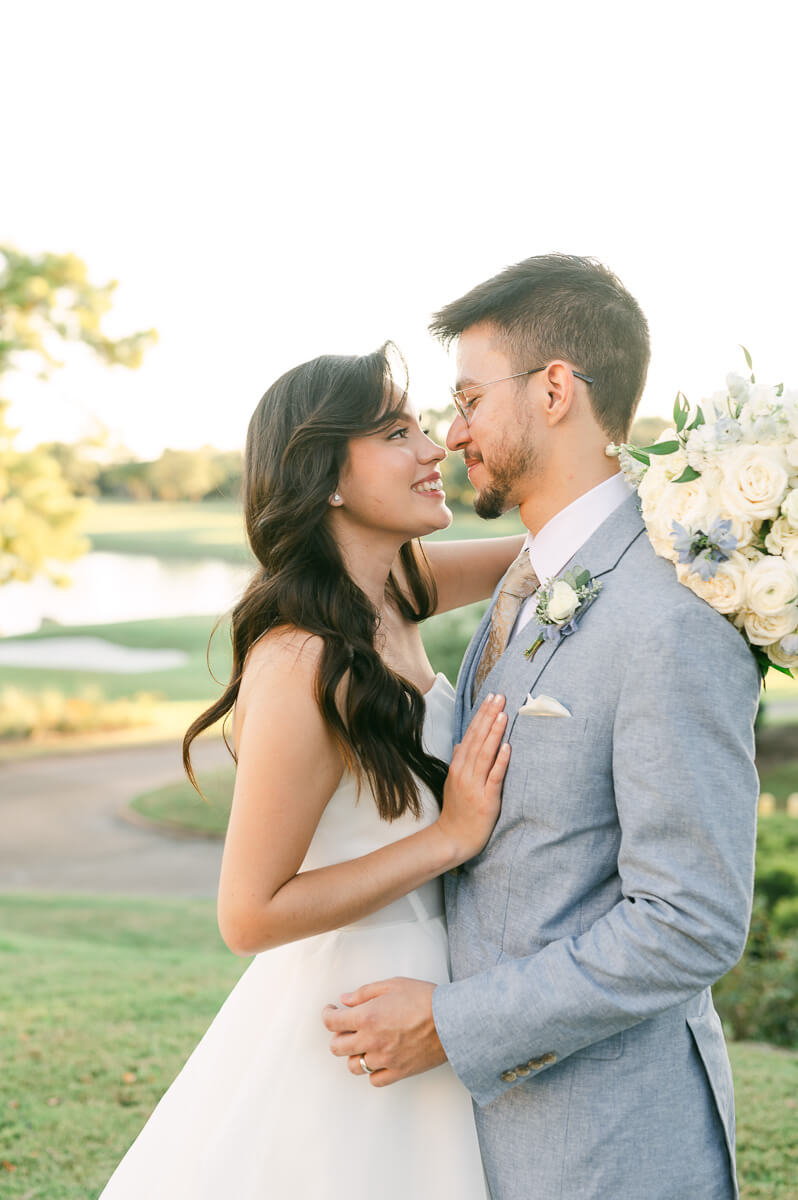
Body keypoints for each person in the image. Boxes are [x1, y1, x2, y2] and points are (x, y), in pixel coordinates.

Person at [323, 255, 760, 1200]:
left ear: (555, 389)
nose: (453, 430)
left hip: (614, 1150)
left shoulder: (670, 616)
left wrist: (453, 1022)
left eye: (470, 397)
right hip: (489, 1141)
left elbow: (689, 922)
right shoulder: (530, 576)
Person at [98, 344, 526, 1199]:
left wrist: (688, 491)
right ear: (327, 476)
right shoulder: (301, 664)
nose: (434, 447)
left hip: (432, 988)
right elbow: (249, 915)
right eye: (398, 432)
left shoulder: (397, 590)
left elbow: (551, 548)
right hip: (353, 1007)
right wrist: (449, 838)